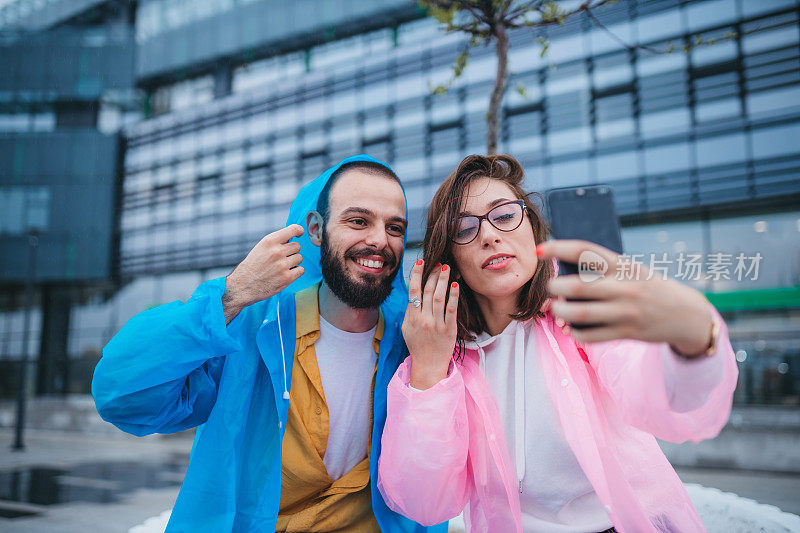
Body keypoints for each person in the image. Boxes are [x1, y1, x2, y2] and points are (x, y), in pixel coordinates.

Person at [377, 154, 739, 532]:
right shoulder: (446, 359)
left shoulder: (582, 314)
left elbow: (674, 405)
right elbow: (424, 501)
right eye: (465, 228)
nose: (488, 235)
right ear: (450, 257)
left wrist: (696, 338)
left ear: (532, 228)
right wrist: (429, 370)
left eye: (503, 215)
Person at [92, 155, 446, 532]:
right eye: (358, 221)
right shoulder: (250, 332)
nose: (379, 240)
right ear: (315, 229)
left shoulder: (418, 341)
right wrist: (231, 295)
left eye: (395, 227)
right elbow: (122, 396)